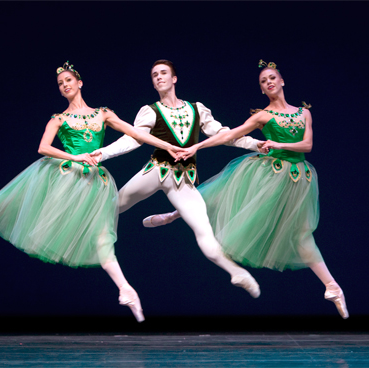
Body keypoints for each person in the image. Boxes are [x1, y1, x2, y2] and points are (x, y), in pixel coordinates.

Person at [0, 61, 182, 323]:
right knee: (15, 196)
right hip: (65, 175)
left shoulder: (103, 113)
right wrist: (76, 157)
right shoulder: (59, 119)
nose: (65, 85)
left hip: (94, 184)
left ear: (80, 83)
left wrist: (168, 146)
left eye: (68, 81)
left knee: (102, 238)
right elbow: (43, 147)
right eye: (60, 84)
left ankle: (126, 289)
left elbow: (136, 133)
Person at [145, 60, 349, 319]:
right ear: (262, 90)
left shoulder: (303, 113)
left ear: (282, 81)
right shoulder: (263, 115)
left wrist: (277, 142)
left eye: (273, 78)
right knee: (221, 190)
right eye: (264, 82)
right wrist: (197, 147)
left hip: (298, 178)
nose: (269, 83)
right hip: (268, 172)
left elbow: (307, 145)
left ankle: (332, 287)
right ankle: (173, 214)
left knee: (301, 235)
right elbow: (229, 135)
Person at [89, 60, 267, 299]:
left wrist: (255, 144)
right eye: (154, 75)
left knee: (204, 230)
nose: (159, 77)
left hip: (182, 179)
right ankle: (86, 231)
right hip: (155, 172)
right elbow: (132, 138)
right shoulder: (150, 110)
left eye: (163, 73)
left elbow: (225, 135)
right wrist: (104, 153)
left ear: (174, 78)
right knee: (113, 206)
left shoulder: (196, 109)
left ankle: (236, 272)